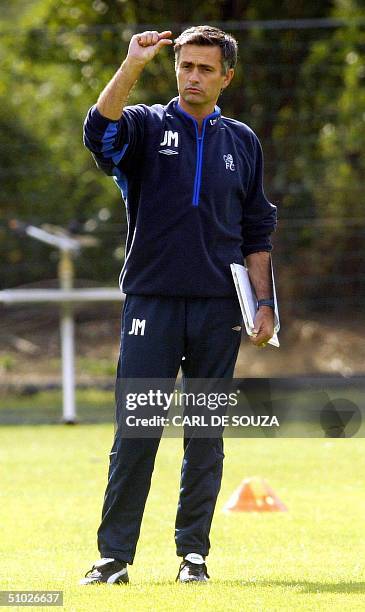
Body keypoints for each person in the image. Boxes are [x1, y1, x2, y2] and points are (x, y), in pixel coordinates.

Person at [81, 25, 277, 585]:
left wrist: (263, 304)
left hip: (219, 309)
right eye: (185, 66)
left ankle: (193, 557)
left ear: (225, 78)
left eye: (205, 69)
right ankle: (114, 558)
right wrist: (132, 65)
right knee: (137, 429)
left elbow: (256, 229)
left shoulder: (242, 142)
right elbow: (100, 133)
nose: (192, 77)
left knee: (205, 435)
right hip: (151, 303)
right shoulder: (145, 125)